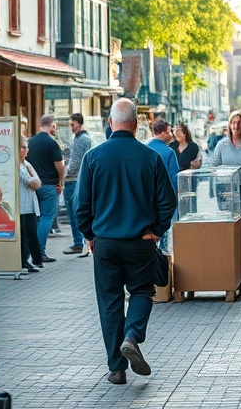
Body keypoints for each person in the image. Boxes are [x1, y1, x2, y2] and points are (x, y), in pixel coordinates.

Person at [76, 98, 176, 385]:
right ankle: (132, 336)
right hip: (140, 241)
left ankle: (116, 369)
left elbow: (80, 204)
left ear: (110, 123)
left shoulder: (93, 157)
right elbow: (167, 201)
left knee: (110, 302)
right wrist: (157, 231)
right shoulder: (151, 158)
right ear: (136, 124)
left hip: (105, 242)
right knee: (142, 291)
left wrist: (89, 235)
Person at [207, 111, 241, 274]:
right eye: (233, 122)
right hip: (226, 190)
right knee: (228, 226)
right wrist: (213, 191)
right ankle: (229, 260)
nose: (236, 126)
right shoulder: (221, 145)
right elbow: (213, 167)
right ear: (229, 125)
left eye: (239, 122)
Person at [27, 114, 65, 262]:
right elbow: (60, 166)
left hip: (33, 186)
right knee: (46, 218)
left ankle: (30, 253)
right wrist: (61, 182)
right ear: (52, 125)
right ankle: (40, 252)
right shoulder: (52, 143)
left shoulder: (30, 142)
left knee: (35, 219)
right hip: (49, 186)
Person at [147, 118, 180, 252]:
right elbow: (175, 180)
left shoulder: (145, 148)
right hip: (164, 200)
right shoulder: (169, 152)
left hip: (147, 200)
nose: (171, 134)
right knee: (164, 236)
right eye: (169, 131)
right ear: (163, 132)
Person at [62, 113, 93, 255]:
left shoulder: (80, 140)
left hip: (73, 180)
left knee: (74, 214)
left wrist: (63, 177)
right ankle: (83, 243)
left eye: (72, 124)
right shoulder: (85, 138)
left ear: (79, 124)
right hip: (81, 179)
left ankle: (78, 243)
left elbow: (74, 163)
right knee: (80, 213)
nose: (71, 127)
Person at [18, 139, 44, 273]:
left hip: (30, 204)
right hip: (22, 205)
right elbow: (34, 183)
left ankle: (36, 259)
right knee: (24, 235)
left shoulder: (26, 164)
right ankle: (24, 261)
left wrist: (35, 181)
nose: (25, 150)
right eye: (22, 148)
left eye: (26, 147)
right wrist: (35, 181)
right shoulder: (17, 165)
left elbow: (38, 181)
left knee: (31, 233)